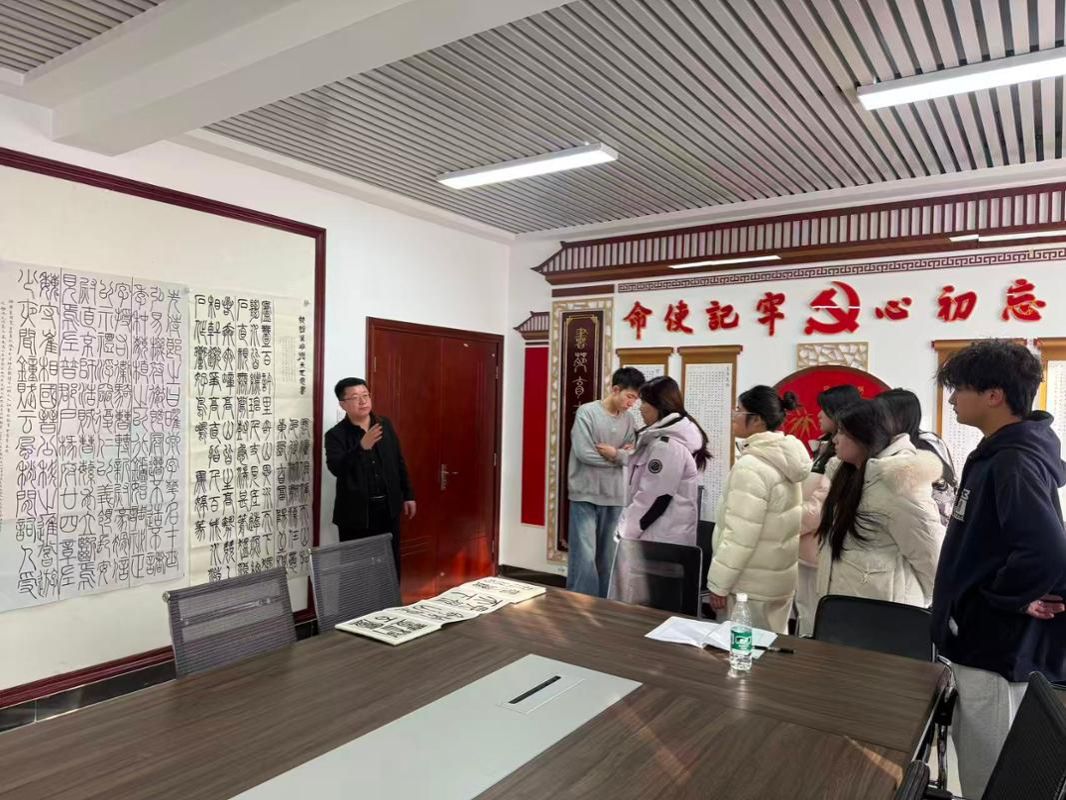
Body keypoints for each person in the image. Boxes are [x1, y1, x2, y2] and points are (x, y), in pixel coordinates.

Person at [932, 339, 1066, 799]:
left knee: (990, 770)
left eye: (960, 389)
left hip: (996, 644)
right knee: (980, 755)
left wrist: (1006, 598)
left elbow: (1047, 550)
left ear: (994, 395)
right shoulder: (998, 452)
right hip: (984, 637)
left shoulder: (1014, 460)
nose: (953, 399)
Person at [815, 400, 943, 607]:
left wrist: (919, 606)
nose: (835, 439)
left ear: (865, 436)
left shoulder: (899, 484)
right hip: (843, 606)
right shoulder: (846, 475)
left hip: (885, 611)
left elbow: (931, 558)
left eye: (842, 432)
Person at [707, 385, 811, 633]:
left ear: (757, 420)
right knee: (774, 645)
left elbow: (740, 535)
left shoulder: (751, 467)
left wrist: (719, 584)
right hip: (777, 582)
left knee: (742, 649)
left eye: (739, 410)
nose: (734, 415)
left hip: (749, 586)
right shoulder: (786, 458)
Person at [565, 367, 645, 597]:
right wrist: (619, 458)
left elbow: (633, 456)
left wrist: (616, 454)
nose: (632, 403)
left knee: (609, 557)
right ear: (615, 389)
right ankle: (580, 603)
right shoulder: (587, 412)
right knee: (584, 556)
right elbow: (584, 453)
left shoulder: (629, 420)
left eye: (636, 399)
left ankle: (604, 605)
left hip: (615, 495)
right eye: (629, 396)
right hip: (584, 493)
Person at [324, 378, 415, 575]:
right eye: (355, 397)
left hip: (388, 509)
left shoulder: (384, 425)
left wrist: (408, 495)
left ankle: (390, 597)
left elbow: (398, 461)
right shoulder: (335, 435)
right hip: (356, 515)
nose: (363, 401)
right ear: (343, 404)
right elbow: (337, 469)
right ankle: (359, 597)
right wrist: (361, 447)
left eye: (365, 395)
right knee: (357, 570)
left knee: (390, 566)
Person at [606, 375, 709, 548]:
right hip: (664, 536)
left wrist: (624, 532)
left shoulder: (667, 447)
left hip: (659, 539)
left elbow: (653, 498)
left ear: (659, 405)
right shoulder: (666, 440)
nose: (640, 408)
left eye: (644, 402)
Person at [797, 384, 861, 635]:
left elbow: (820, 509)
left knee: (815, 620)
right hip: (807, 549)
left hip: (818, 551)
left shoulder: (840, 459)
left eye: (824, 409)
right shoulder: (825, 449)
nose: (819, 415)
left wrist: (782, 521)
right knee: (806, 616)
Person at [873, 388, 957, 525]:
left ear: (900, 417)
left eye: (880, 415)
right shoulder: (930, 440)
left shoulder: (915, 450)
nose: (875, 421)